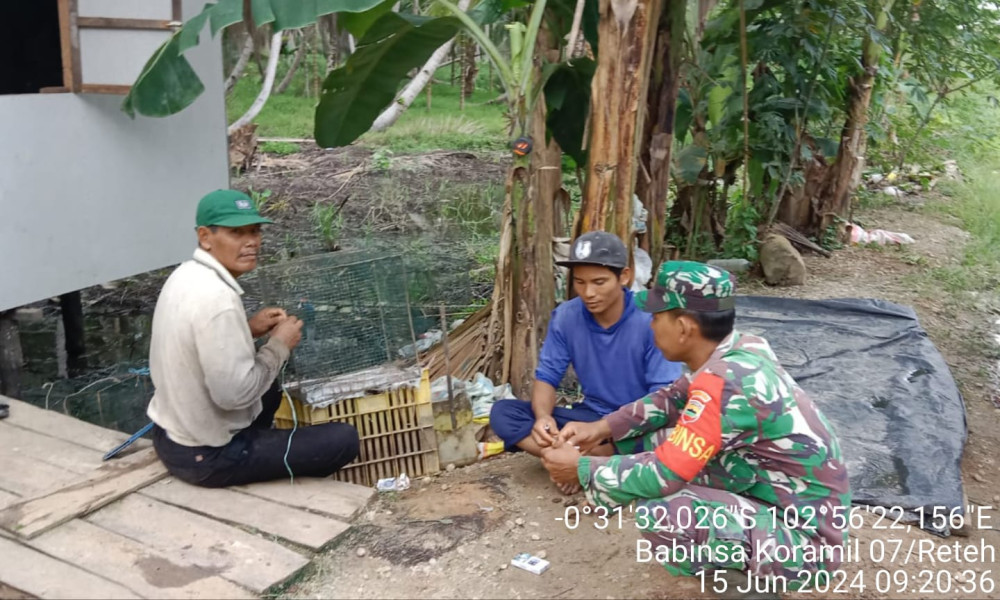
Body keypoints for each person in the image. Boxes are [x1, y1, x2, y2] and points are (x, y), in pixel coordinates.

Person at [541, 261, 850, 596]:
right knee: (660, 440)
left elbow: (664, 472)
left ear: (685, 328)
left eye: (657, 318)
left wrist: (584, 470)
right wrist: (601, 429)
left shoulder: (725, 383)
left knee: (666, 512)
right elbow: (671, 400)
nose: (651, 325)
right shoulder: (740, 349)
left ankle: (750, 589)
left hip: (806, 546)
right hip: (787, 504)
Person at [147, 189, 359, 488]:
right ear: (206, 237)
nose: (252, 242)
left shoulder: (186, 274)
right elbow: (232, 395)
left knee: (269, 388)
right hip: (206, 456)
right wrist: (278, 345)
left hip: (169, 435)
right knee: (343, 440)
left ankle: (261, 446)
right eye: (237, 233)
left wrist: (248, 329)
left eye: (255, 231)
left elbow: (197, 343)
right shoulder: (218, 300)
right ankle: (260, 469)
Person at [490, 231, 683, 490]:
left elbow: (662, 397)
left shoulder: (652, 320)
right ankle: (578, 460)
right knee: (504, 413)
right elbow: (547, 376)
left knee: (674, 434)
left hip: (638, 419)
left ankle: (585, 461)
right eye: (580, 282)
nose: (588, 292)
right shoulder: (566, 316)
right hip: (590, 415)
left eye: (599, 282)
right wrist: (544, 418)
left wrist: (608, 434)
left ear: (624, 276)